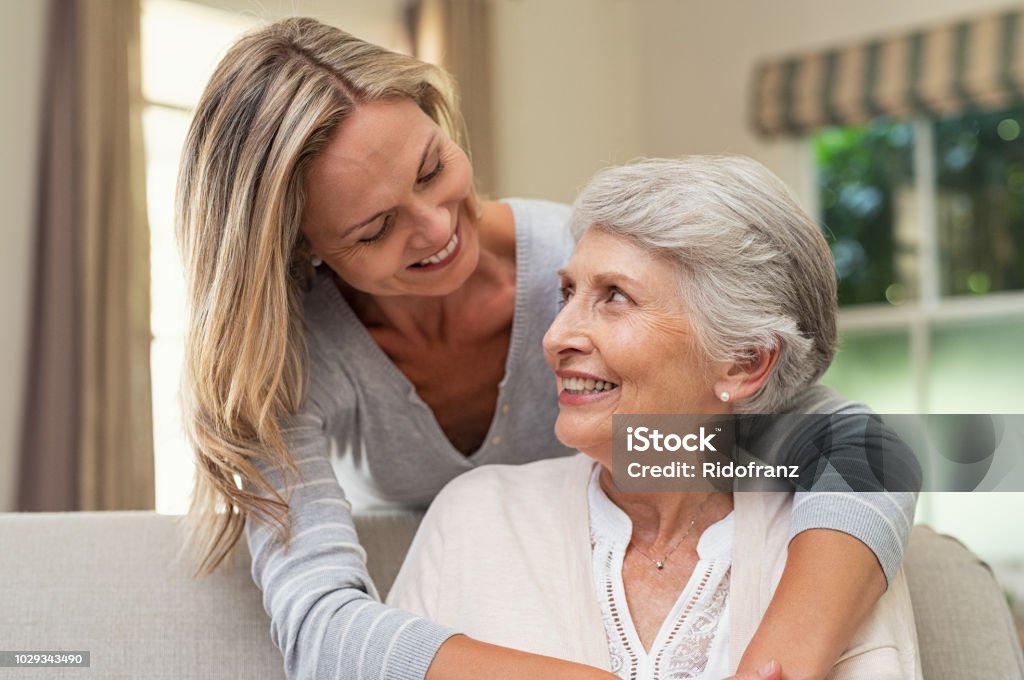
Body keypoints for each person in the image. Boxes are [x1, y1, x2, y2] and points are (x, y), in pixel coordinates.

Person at [175, 17, 916, 680]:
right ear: (304, 248)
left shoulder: (584, 262)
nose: (436, 229)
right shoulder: (285, 360)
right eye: (374, 229)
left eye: (432, 170)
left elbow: (854, 442)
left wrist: (779, 656)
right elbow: (319, 630)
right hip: (446, 608)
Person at [387, 156, 922, 679]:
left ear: (744, 362)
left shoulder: (830, 541)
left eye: (615, 297)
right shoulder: (475, 516)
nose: (554, 337)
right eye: (567, 292)